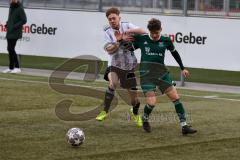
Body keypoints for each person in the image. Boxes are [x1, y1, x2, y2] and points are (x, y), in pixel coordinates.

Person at [133, 18, 197, 135]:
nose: (155, 35)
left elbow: (174, 53)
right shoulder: (142, 39)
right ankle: (145, 119)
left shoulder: (166, 40)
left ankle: (184, 126)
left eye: (157, 32)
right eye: (152, 33)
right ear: (149, 31)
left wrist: (182, 68)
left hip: (162, 74)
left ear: (161, 29)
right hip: (146, 76)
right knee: (152, 103)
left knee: (176, 98)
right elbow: (128, 48)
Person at [95, 7, 145, 127]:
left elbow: (143, 31)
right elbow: (110, 51)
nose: (112, 21)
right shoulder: (107, 32)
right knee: (112, 84)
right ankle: (104, 111)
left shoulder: (127, 25)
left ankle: (135, 112)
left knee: (134, 99)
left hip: (128, 66)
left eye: (114, 18)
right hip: (114, 65)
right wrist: (119, 41)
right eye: (109, 19)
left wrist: (127, 33)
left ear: (119, 18)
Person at [2, 0, 27, 74]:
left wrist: (14, 26)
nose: (11, 0)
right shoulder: (11, 7)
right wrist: (7, 23)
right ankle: (11, 67)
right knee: (9, 49)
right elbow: (10, 18)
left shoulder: (20, 8)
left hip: (15, 32)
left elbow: (24, 20)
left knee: (11, 48)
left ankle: (17, 67)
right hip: (10, 31)